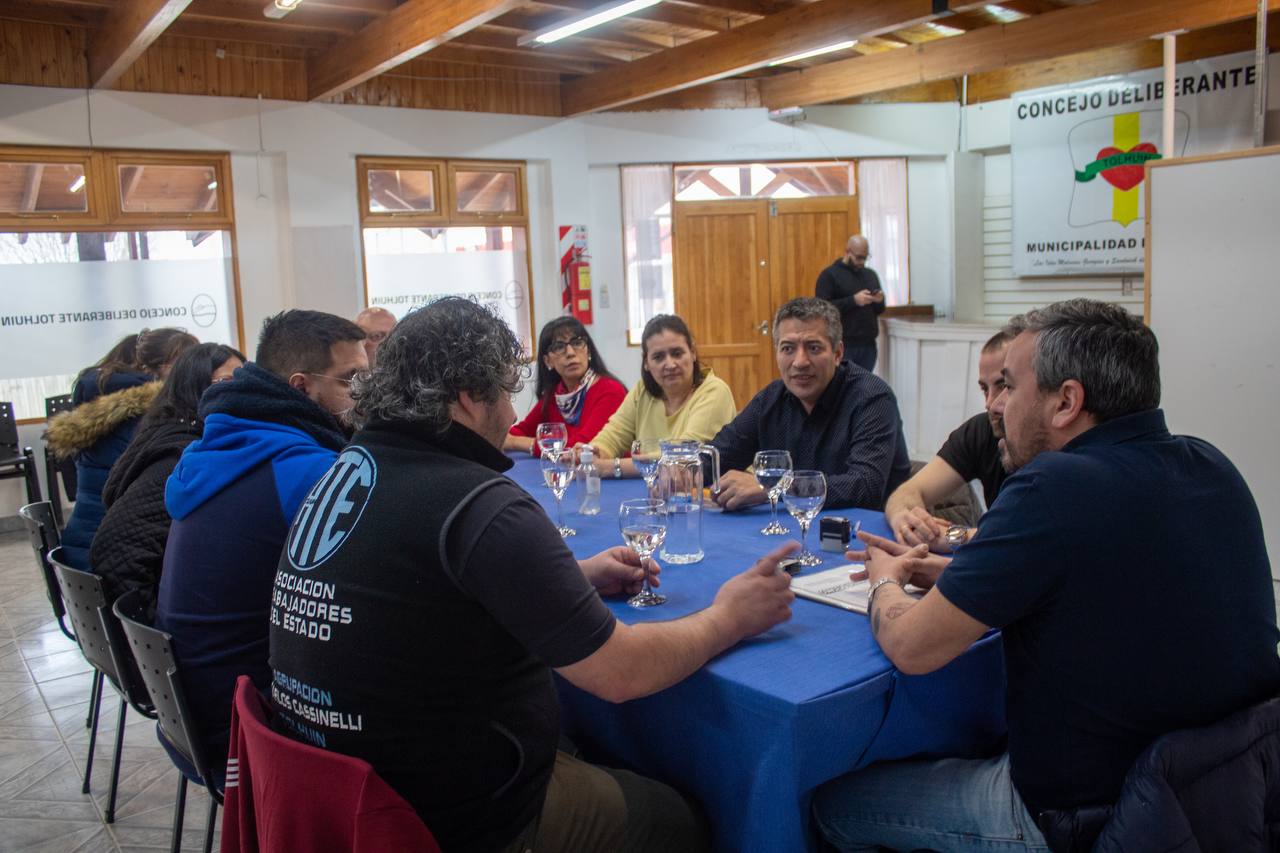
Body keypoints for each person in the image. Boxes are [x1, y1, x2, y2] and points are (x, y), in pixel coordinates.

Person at [268, 297, 796, 853]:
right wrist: (729, 617)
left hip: (332, 794)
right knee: (679, 817)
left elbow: (428, 593)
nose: (508, 408)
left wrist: (572, 576)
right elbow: (623, 674)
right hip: (442, 817)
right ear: (470, 398)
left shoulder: (345, 471)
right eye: (504, 391)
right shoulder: (478, 502)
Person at [813, 299, 1280, 852]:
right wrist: (960, 575)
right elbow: (1112, 586)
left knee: (829, 804)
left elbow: (912, 648)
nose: (997, 407)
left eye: (1008, 387)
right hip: (1227, 792)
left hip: (1088, 816)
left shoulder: (1049, 488)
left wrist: (887, 579)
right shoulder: (1213, 465)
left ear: (1066, 402)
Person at [155, 310, 366, 788]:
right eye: (351, 379)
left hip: (193, 714)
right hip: (247, 735)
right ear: (300, 387)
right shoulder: (304, 469)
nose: (363, 393)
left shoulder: (216, 449)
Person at [90, 342, 246, 619]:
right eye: (226, 382)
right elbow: (115, 549)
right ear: (194, 386)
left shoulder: (168, 430)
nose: (242, 390)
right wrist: (153, 632)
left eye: (246, 381)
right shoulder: (179, 457)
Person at [711, 298, 910, 511]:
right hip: (789, 531)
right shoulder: (771, 399)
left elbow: (865, 486)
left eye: (814, 348)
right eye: (788, 349)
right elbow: (717, 457)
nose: (800, 362)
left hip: (865, 535)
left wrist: (773, 488)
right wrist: (680, 471)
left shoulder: (872, 398)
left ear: (838, 353)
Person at [46, 328, 199, 570]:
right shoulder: (144, 419)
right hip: (107, 559)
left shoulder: (94, 412)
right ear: (159, 367)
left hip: (80, 546)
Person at [884, 330, 1013, 550]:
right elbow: (906, 493)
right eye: (984, 389)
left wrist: (950, 537)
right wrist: (908, 521)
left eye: (1005, 386)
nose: (991, 403)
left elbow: (1018, 541)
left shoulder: (1059, 453)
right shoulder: (981, 430)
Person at [585, 314, 737, 479]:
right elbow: (613, 435)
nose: (670, 364)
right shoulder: (642, 391)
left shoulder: (714, 392)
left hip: (713, 496)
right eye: (658, 357)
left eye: (677, 353)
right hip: (656, 490)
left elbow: (681, 460)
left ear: (692, 353)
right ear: (646, 363)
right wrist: (594, 453)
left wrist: (611, 467)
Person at [504, 316, 626, 455]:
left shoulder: (610, 390)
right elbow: (522, 431)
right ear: (547, 361)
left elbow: (582, 447)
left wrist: (515, 443)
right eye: (559, 347)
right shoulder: (556, 395)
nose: (570, 353)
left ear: (589, 351)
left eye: (577, 343)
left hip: (610, 475)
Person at [815, 234, 885, 372]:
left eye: (865, 257)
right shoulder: (829, 275)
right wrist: (853, 300)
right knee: (843, 389)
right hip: (843, 345)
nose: (862, 262)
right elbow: (822, 310)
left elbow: (879, 310)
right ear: (847, 252)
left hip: (868, 345)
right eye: (859, 257)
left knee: (864, 388)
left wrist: (879, 301)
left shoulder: (871, 275)